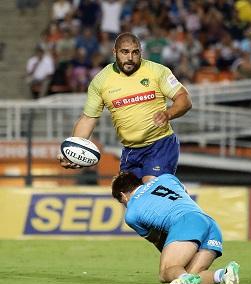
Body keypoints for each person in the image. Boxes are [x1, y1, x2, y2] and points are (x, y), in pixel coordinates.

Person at [58, 32, 192, 183]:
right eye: (124, 52)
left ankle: (175, 196)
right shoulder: (101, 81)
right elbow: (88, 118)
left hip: (160, 145)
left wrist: (168, 114)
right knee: (128, 199)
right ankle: (177, 194)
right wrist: (72, 151)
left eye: (135, 52)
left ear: (140, 52)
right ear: (114, 52)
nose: (130, 57)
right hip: (130, 150)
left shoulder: (157, 71)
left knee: (151, 187)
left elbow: (184, 99)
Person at [111, 172, 240, 284]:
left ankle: (183, 277)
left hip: (185, 223)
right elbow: (185, 195)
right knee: (192, 280)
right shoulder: (166, 178)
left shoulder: (131, 214)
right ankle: (223, 274)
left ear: (123, 196)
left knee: (166, 272)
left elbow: (157, 239)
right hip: (210, 224)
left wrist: (176, 254)